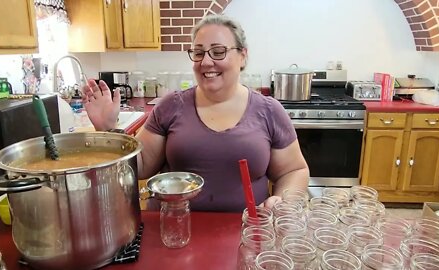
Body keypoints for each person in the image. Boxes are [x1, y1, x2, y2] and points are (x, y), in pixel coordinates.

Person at [82, 14, 309, 212]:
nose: (206, 61)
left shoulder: (269, 111)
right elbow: (140, 166)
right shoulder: (171, 106)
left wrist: (284, 201)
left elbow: (294, 170)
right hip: (174, 231)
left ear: (243, 56)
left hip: (247, 233)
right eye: (198, 53)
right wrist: (107, 130)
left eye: (218, 52)